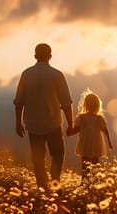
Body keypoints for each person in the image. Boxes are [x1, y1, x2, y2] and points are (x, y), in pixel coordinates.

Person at [14, 43, 74, 188]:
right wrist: (70, 124)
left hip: (33, 124)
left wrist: (18, 122)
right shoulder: (56, 75)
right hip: (53, 123)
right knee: (58, 155)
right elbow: (66, 102)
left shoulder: (26, 74)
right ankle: (55, 182)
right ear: (50, 56)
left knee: (38, 159)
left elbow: (19, 101)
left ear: (35, 56)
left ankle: (42, 186)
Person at [68, 89, 113, 178]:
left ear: (85, 105)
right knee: (96, 162)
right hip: (96, 144)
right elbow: (105, 130)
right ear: (97, 105)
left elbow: (76, 130)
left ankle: (85, 180)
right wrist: (109, 142)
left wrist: (69, 131)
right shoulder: (99, 119)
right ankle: (96, 180)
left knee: (84, 163)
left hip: (85, 143)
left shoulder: (82, 118)